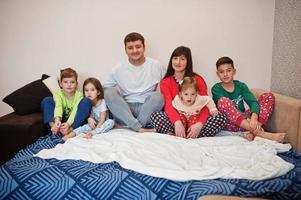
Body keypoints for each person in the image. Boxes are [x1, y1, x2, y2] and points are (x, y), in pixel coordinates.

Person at [151, 46, 227, 138]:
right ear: (171, 60)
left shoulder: (197, 79)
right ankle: (178, 132)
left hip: (196, 118)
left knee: (221, 118)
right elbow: (168, 106)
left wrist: (199, 124)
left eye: (182, 59)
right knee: (155, 116)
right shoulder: (165, 82)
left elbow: (205, 103)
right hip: (176, 119)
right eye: (175, 58)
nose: (178, 62)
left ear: (188, 62)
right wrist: (177, 123)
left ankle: (192, 133)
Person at [211, 56, 286, 142]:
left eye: (228, 70)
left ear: (234, 71)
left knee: (268, 96)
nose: (225, 74)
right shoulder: (216, 89)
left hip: (246, 121)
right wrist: (247, 119)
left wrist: (254, 116)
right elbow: (224, 109)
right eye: (221, 72)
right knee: (223, 101)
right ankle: (260, 133)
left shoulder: (241, 86)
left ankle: (253, 131)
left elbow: (253, 102)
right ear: (217, 74)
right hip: (230, 123)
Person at [103, 32, 166, 133]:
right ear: (126, 50)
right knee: (108, 92)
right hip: (125, 110)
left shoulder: (156, 65)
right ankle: (139, 128)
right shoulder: (118, 68)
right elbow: (103, 89)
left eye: (138, 47)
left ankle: (134, 127)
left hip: (147, 108)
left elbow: (170, 84)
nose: (135, 50)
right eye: (130, 48)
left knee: (159, 96)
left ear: (144, 48)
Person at [41, 68, 91, 136]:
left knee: (86, 101)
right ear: (60, 84)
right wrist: (57, 120)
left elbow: (75, 110)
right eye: (65, 82)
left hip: (74, 120)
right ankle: (54, 128)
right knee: (47, 100)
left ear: (76, 84)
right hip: (60, 119)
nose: (69, 85)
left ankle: (69, 130)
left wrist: (68, 124)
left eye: (72, 82)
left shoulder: (79, 95)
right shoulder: (57, 94)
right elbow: (58, 106)